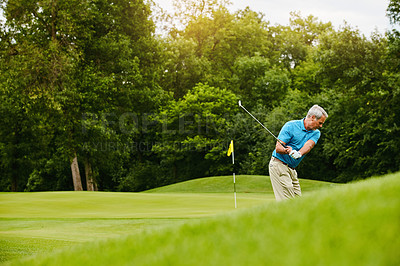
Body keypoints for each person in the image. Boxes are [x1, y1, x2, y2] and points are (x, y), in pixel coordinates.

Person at [269, 105, 328, 201]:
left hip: (292, 169)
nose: (321, 126)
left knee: (298, 202)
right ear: (312, 117)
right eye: (320, 123)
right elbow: (278, 148)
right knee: (287, 202)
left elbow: (309, 145)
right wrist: (287, 151)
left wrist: (299, 153)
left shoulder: (316, 132)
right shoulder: (291, 126)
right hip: (279, 165)